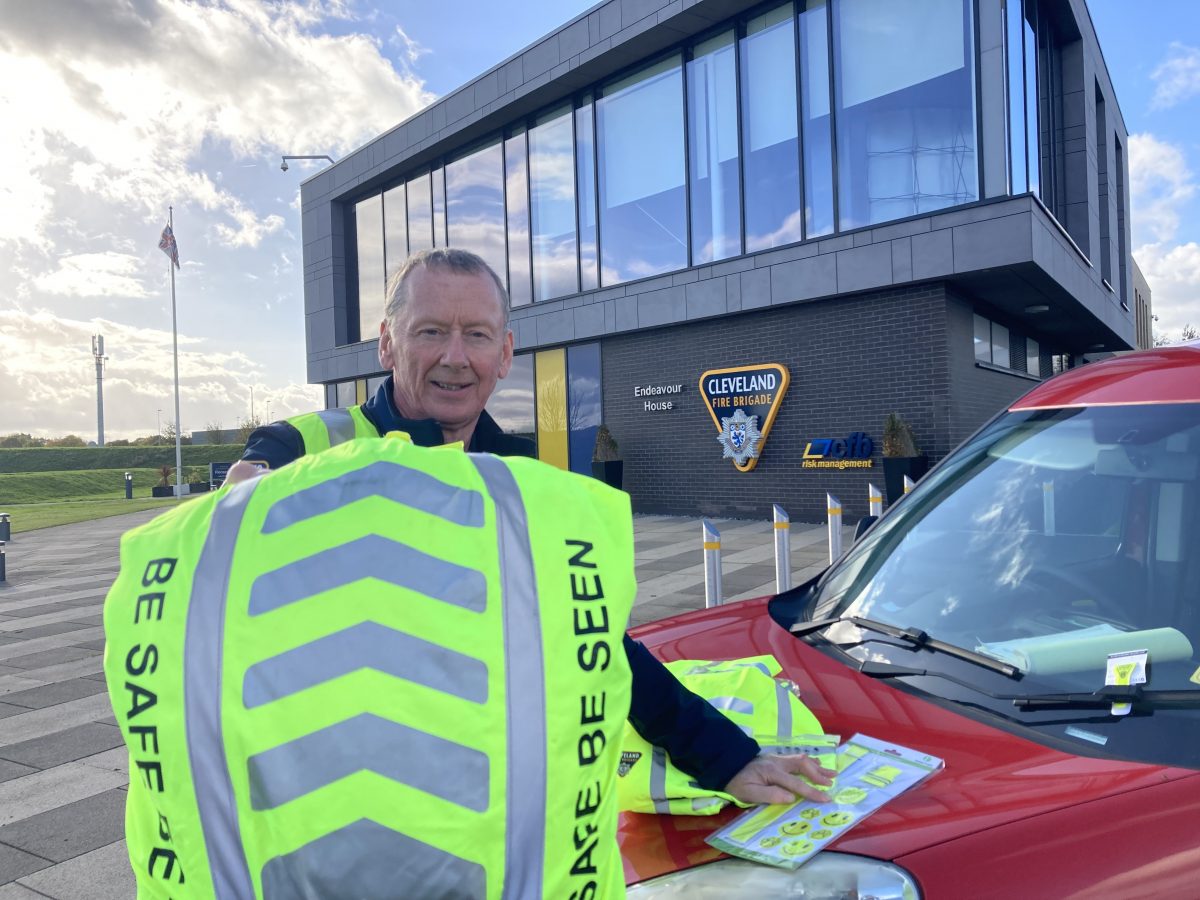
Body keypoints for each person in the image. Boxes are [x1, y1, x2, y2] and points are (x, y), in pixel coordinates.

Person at [233, 248, 832, 806]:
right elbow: (241, 535)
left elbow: (592, 640)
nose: (455, 356)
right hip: (340, 803)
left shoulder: (525, 481)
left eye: (476, 335)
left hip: (480, 804)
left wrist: (725, 758)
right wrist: (243, 498)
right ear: (387, 345)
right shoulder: (304, 453)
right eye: (431, 331)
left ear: (505, 353)